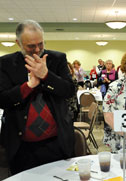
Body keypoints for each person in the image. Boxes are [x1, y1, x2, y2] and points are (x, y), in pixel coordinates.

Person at [0, 20, 75, 174]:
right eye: (30, 46)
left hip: (56, 142)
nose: (37, 49)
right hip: (21, 145)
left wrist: (46, 75)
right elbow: (2, 100)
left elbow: (69, 90)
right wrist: (28, 86)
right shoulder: (5, 63)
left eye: (40, 44)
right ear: (18, 43)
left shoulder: (57, 59)